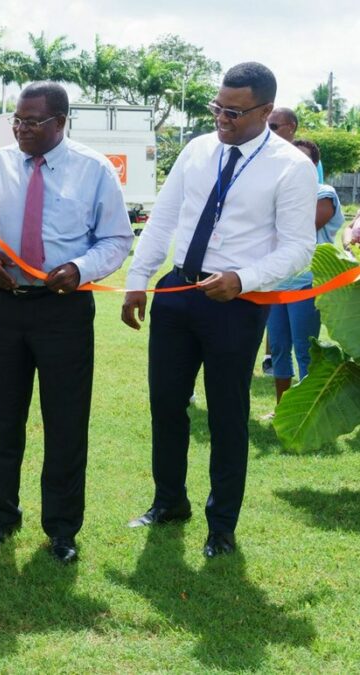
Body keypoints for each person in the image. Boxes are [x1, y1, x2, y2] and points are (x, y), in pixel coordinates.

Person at [122, 62, 315, 558]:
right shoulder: (198, 150)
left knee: (228, 415)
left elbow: (298, 249)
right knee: (166, 405)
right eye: (217, 107)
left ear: (266, 111)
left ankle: (221, 525)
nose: (222, 118)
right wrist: (138, 280)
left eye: (234, 111)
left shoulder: (291, 166)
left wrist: (241, 279)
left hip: (234, 302)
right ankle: (169, 502)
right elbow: (164, 218)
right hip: (178, 293)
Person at [0, 81, 132, 564]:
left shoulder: (94, 170)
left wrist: (80, 268)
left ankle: (61, 528)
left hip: (64, 310)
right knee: (1, 415)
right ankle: (2, 513)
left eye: (33, 122)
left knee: (65, 420)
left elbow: (117, 239)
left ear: (61, 122)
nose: (22, 130)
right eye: (17, 120)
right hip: (4, 305)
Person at [263, 139, 344, 412]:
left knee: (305, 348)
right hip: (276, 284)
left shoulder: (324, 193)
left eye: (303, 158)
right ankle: (282, 409)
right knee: (278, 347)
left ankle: (309, 411)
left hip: (306, 284)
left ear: (314, 165)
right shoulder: (275, 193)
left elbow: (304, 225)